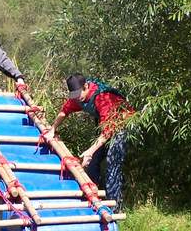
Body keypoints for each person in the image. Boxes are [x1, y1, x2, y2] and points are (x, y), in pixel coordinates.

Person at [43, 74, 134, 211]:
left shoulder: (102, 98)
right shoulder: (77, 97)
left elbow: (108, 131)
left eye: (78, 93)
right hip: (106, 125)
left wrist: (90, 152)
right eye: (73, 94)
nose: (77, 97)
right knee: (92, 162)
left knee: (112, 161)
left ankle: (115, 208)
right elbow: (64, 111)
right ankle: (92, 199)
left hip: (123, 124)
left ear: (86, 86)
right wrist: (52, 129)